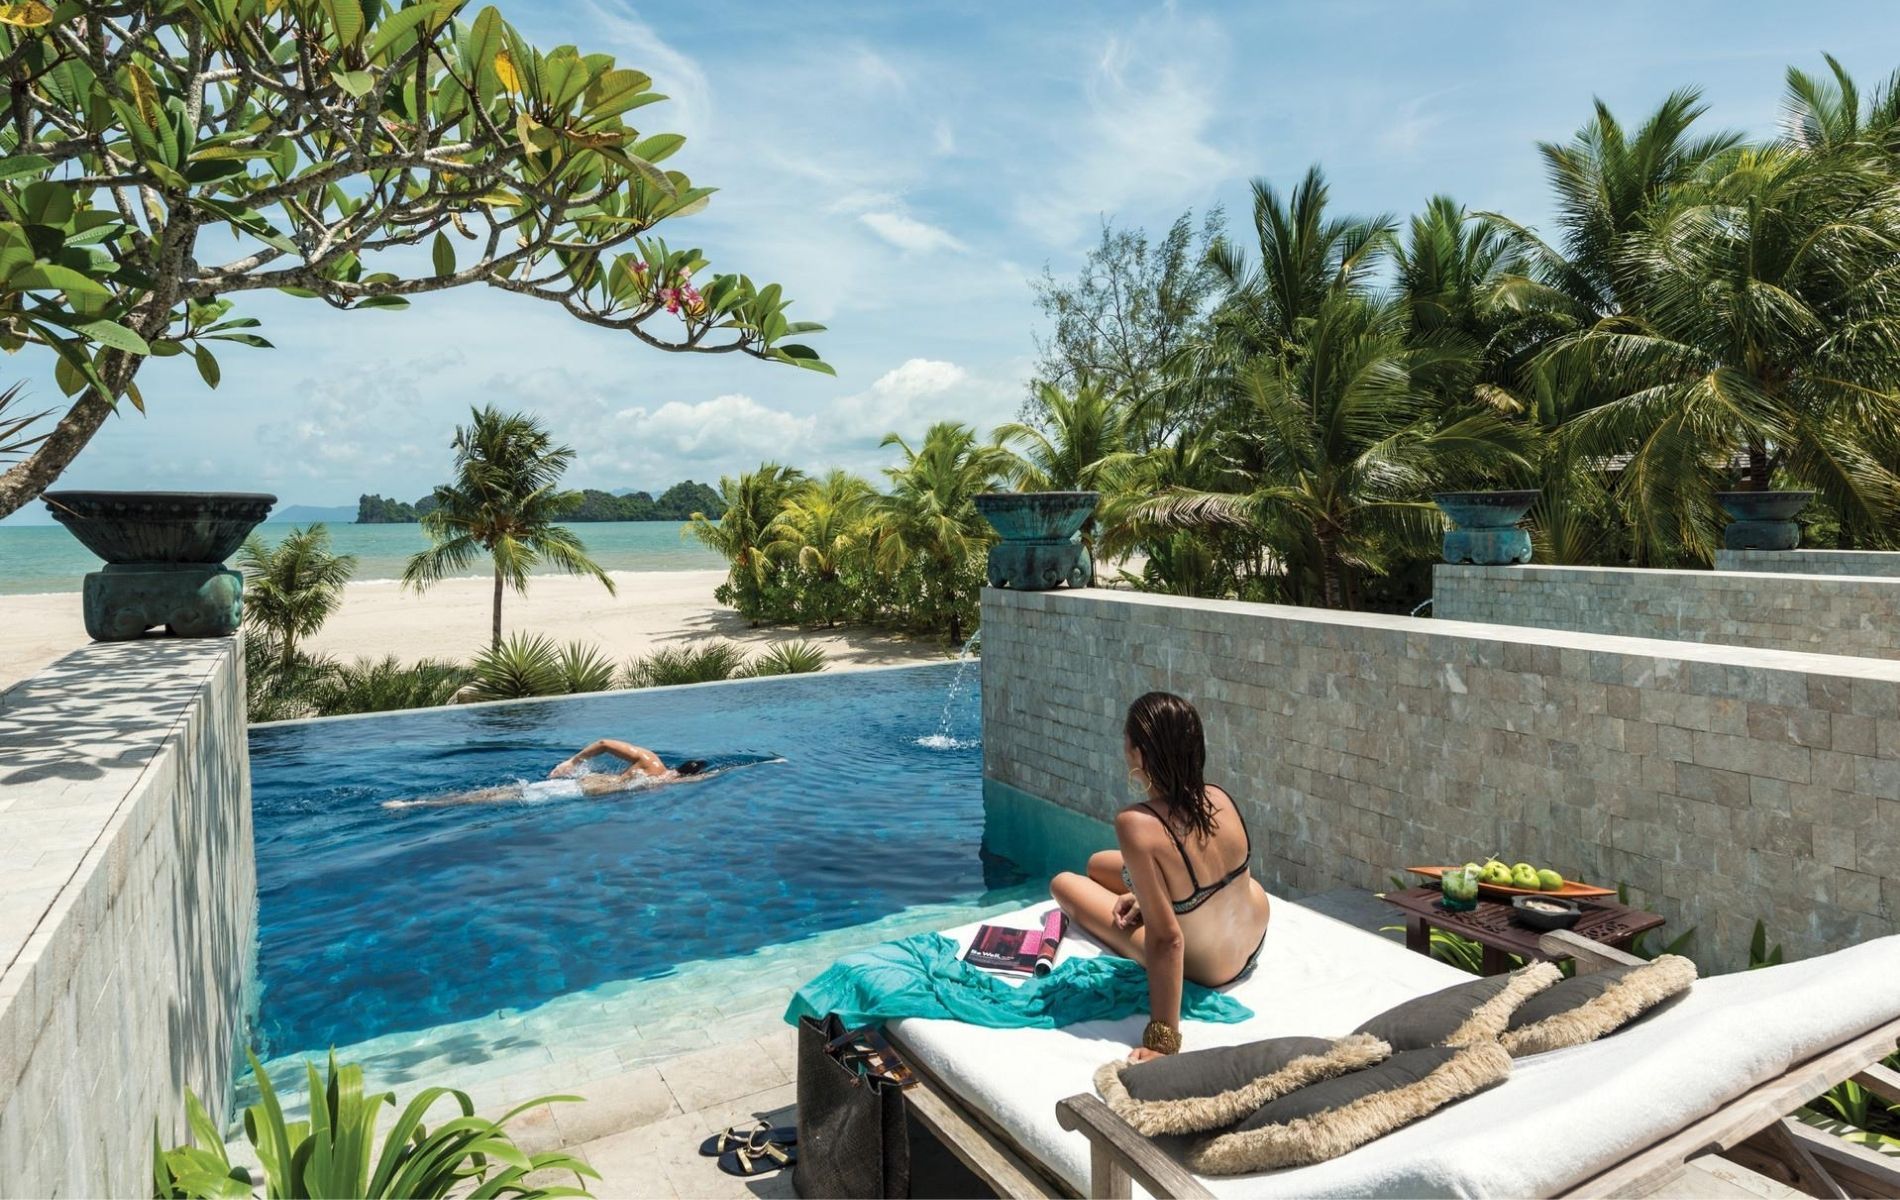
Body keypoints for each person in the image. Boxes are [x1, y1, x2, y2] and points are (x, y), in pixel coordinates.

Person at [1049, 691, 1270, 1063]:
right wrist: (1150, 896)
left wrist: (1161, 1040)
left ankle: (1153, 896)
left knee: (1065, 883)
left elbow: (1167, 940)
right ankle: (1151, 893)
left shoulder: (1136, 823)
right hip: (1250, 941)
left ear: (1138, 754)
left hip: (1211, 966)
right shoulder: (1218, 795)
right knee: (1097, 864)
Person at [383, 741, 709, 809]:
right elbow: (605, 743)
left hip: (576, 791)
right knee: (495, 797)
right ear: (683, 776)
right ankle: (416, 804)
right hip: (571, 791)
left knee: (497, 796)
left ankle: (419, 803)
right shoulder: (653, 766)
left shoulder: (658, 776)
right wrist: (572, 761)